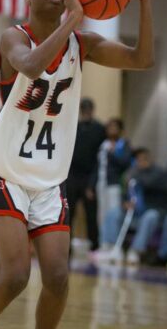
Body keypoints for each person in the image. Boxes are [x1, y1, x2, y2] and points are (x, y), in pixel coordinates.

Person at [0, 0, 153, 329]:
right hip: (5, 170)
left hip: (48, 177)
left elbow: (141, 59)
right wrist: (74, 19)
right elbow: (32, 66)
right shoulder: (13, 38)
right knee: (15, 276)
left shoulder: (82, 46)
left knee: (58, 278)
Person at [99, 148, 167, 265]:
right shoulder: (131, 173)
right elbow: (125, 192)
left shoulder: (159, 174)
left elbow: (154, 186)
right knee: (113, 213)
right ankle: (111, 246)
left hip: (151, 211)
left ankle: (136, 250)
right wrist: (125, 203)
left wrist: (135, 178)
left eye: (144, 158)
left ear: (150, 159)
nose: (141, 161)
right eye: (138, 159)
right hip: (133, 212)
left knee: (151, 216)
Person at [66, 98, 105, 250]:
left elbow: (99, 159)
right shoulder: (74, 126)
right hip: (73, 175)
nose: (86, 111)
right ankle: (66, 246)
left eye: (89, 109)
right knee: (70, 213)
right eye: (84, 109)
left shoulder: (99, 129)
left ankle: (94, 247)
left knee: (91, 215)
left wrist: (92, 184)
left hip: (90, 175)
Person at [93, 118, 134, 252]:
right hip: (102, 183)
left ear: (120, 130)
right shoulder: (103, 144)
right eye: (109, 127)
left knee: (113, 214)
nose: (111, 129)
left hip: (115, 184)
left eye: (114, 127)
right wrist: (91, 184)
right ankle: (103, 244)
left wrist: (113, 153)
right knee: (102, 215)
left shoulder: (124, 144)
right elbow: (98, 166)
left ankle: (114, 246)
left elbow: (126, 162)